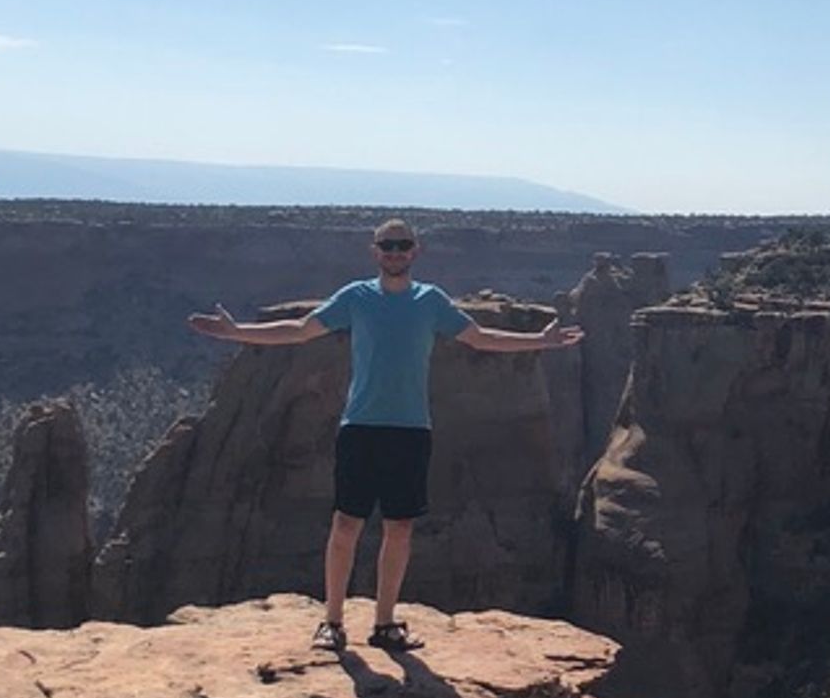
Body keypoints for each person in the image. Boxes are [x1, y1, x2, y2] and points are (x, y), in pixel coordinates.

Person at [188, 219, 583, 654]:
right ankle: (332, 623)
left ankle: (384, 624)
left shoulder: (430, 301)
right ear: (374, 251)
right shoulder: (355, 297)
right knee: (346, 523)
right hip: (360, 427)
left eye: (402, 245)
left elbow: (481, 339)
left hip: (411, 430)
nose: (395, 253)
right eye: (387, 246)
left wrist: (539, 342)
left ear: (416, 251)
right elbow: (300, 330)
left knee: (399, 527)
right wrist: (237, 332)